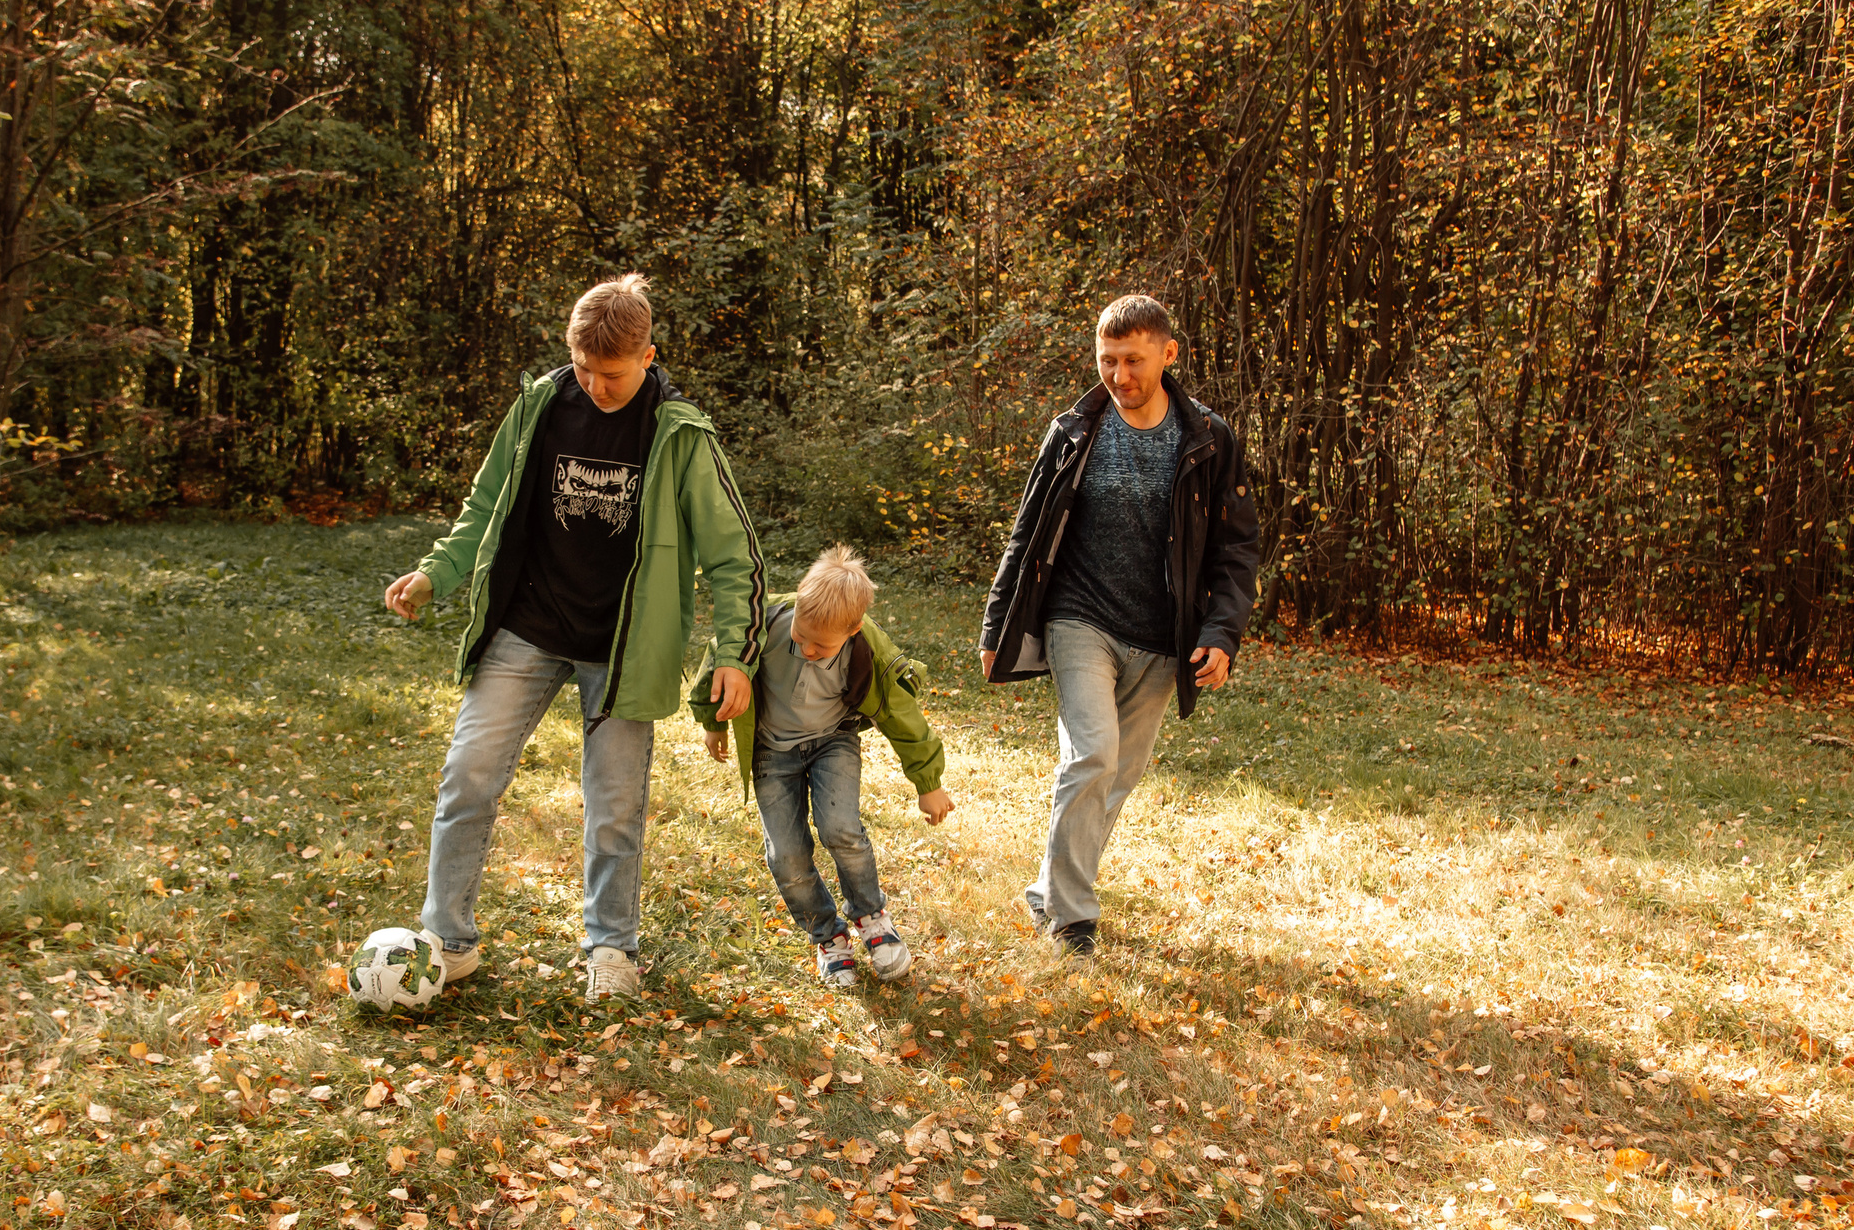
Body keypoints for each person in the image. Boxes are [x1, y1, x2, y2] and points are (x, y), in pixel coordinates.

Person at [383, 273, 764, 1004]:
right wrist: (438, 571)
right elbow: (486, 501)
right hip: (528, 626)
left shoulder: (680, 433)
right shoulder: (540, 405)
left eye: (611, 373)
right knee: (469, 774)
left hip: (623, 648)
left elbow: (733, 552)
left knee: (614, 805)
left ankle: (612, 947)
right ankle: (447, 941)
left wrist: (734, 655)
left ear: (649, 355)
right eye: (583, 367)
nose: (593, 384)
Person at [978, 294, 1262, 954]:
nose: (1119, 374)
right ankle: (1073, 920)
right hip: (1081, 618)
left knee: (1116, 775)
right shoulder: (1075, 430)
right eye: (1108, 359)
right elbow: (1027, 533)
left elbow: (1237, 550)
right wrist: (997, 627)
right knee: (1092, 755)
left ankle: (1049, 891)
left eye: (1133, 360)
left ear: (1168, 353)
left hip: (1163, 640)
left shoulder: (1208, 440)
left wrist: (1220, 634)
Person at [694, 545, 954, 983]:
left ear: (852, 629)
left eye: (822, 644)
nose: (810, 648)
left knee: (841, 829)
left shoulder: (867, 649)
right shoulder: (767, 625)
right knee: (787, 854)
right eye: (803, 637)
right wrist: (712, 721)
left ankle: (872, 918)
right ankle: (827, 937)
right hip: (772, 751)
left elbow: (901, 714)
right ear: (797, 601)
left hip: (833, 742)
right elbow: (721, 659)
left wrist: (927, 782)